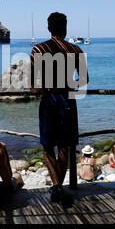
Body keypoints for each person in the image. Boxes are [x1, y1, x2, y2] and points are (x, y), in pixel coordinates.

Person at [30, 12, 89, 206]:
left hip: (49, 99)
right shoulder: (76, 49)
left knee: (48, 146)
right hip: (68, 99)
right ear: (65, 28)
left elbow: (34, 87)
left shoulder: (38, 50)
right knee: (65, 145)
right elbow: (83, 80)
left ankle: (56, 187)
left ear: (48, 28)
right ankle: (58, 188)